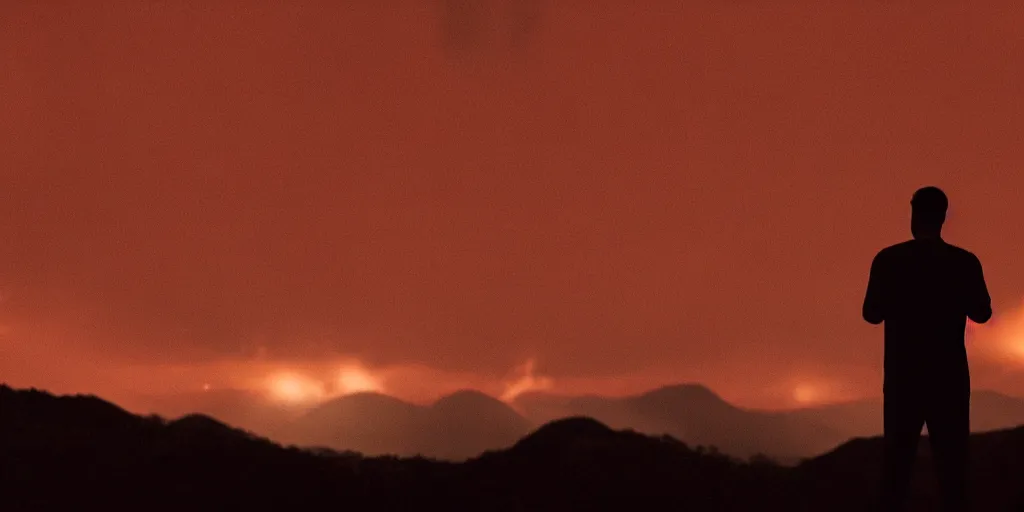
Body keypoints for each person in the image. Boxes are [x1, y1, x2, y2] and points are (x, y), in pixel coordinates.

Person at [863, 186, 992, 512]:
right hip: (949, 382)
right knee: (953, 478)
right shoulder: (964, 262)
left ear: (913, 215)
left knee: (895, 476)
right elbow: (982, 312)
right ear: (943, 216)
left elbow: (871, 314)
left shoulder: (888, 260)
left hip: (903, 381)